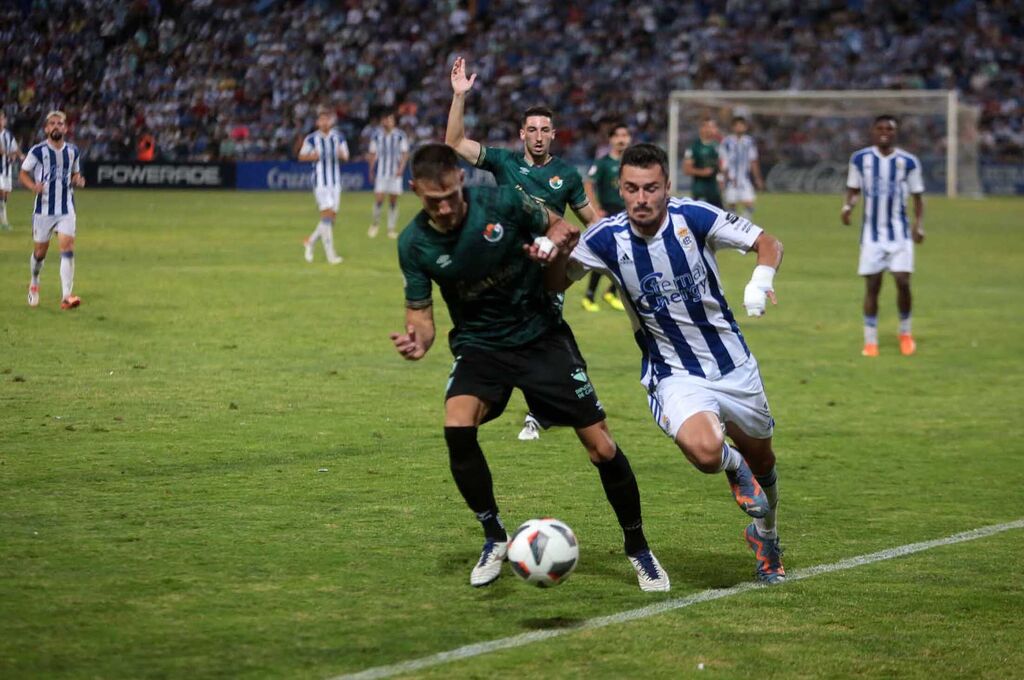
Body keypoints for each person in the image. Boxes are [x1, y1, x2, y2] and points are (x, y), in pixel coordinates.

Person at [390, 143, 670, 592]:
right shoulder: (414, 243)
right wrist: (415, 342)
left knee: (601, 447)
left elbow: (563, 228)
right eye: (431, 200)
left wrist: (548, 245)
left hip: (541, 337)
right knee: (457, 424)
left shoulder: (503, 201)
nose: (442, 208)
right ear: (415, 191)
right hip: (481, 346)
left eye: (448, 196)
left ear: (460, 179)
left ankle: (638, 549)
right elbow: (420, 319)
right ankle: (494, 536)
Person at [538, 143, 787, 584]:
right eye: (631, 189)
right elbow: (556, 285)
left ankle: (765, 536)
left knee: (764, 462)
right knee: (707, 453)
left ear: (667, 188)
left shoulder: (694, 216)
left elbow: (768, 242)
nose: (641, 199)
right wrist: (555, 253)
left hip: (734, 366)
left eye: (651, 188)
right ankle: (732, 467)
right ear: (619, 189)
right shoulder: (604, 238)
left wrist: (760, 279)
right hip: (673, 372)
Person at [446, 55, 598, 442]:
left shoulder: (566, 175)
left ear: (553, 134)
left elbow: (592, 222)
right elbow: (455, 142)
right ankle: (489, 395)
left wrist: (594, 255)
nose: (539, 135)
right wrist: (459, 96)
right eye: (532, 129)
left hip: (545, 269)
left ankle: (539, 411)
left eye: (545, 129)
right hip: (504, 265)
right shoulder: (504, 162)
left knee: (545, 334)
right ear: (522, 133)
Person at [841, 115, 925, 357]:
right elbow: (854, 190)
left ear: (895, 133)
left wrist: (918, 225)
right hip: (872, 236)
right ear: (873, 131)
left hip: (900, 235)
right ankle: (870, 340)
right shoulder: (860, 159)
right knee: (873, 286)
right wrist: (848, 207)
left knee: (902, 281)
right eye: (880, 128)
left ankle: (905, 333)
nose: (884, 132)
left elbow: (918, 197)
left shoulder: (908, 162)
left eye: (889, 128)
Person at [20, 110, 86, 309]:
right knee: (40, 253)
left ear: (65, 128)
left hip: (66, 208)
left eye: (60, 123)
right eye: (52, 123)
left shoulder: (73, 151)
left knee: (67, 248)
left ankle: (66, 296)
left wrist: (78, 179)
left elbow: (75, 173)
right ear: (46, 129)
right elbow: (23, 173)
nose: (56, 126)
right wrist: (33, 187)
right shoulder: (38, 151)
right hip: (44, 210)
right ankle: (34, 281)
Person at [581, 123, 629, 313]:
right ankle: (590, 296)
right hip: (608, 213)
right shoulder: (603, 162)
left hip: (626, 214)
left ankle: (611, 292)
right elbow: (588, 184)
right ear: (611, 140)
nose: (621, 139)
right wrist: (596, 209)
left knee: (626, 255)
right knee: (604, 255)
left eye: (625, 135)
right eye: (617, 135)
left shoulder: (630, 163)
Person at [299, 108, 349, 264]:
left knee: (331, 219)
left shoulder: (338, 137)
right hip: (321, 182)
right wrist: (311, 156)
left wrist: (342, 155)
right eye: (321, 120)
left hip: (335, 183)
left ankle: (310, 242)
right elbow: (301, 156)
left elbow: (346, 156)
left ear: (331, 121)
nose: (324, 122)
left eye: (327, 119)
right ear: (317, 122)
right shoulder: (312, 139)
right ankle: (330, 255)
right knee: (326, 216)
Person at [366, 109, 410, 239]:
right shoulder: (376, 136)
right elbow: (373, 154)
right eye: (385, 119)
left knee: (393, 201)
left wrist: (401, 168)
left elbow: (405, 154)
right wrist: (371, 170)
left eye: (390, 119)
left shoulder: (400, 135)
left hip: (395, 173)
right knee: (379, 199)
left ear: (394, 121)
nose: (388, 122)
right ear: (382, 121)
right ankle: (374, 225)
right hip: (381, 173)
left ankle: (391, 229)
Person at [721, 116, 763, 220]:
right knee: (731, 204)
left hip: (744, 178)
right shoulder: (726, 142)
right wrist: (724, 177)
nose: (739, 128)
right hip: (731, 178)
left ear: (745, 127)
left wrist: (757, 178)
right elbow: (722, 160)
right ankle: (733, 228)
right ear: (733, 127)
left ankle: (744, 223)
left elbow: (753, 160)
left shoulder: (749, 141)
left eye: (741, 125)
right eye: (737, 126)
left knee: (750, 204)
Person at [683, 118, 723, 208]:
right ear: (702, 128)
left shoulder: (717, 146)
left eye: (714, 127)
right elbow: (686, 169)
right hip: (700, 190)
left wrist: (721, 176)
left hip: (715, 191)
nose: (713, 129)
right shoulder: (694, 147)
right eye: (710, 127)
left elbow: (720, 166)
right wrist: (702, 172)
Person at [1, 110, 23, 231]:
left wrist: (21, 156)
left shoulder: (8, 135)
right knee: (2, 191)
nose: (1, 121)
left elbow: (15, 148)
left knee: (5, 195)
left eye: (2, 119)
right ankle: (3, 220)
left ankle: (3, 219)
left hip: (7, 169)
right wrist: (10, 154)